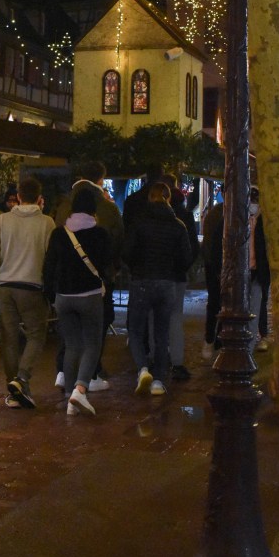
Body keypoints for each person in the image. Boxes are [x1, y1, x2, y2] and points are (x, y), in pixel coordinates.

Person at [0, 176, 55, 408]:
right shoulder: (47, 223)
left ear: (18, 197)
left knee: (10, 339)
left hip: (5, 288)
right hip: (32, 287)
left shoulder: (3, 221)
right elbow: (50, 260)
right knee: (35, 335)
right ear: (40, 198)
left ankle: (13, 390)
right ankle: (22, 378)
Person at [53, 160, 124, 391]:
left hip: (65, 282)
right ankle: (89, 377)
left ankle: (64, 373)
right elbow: (116, 244)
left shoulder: (63, 206)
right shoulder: (109, 209)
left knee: (70, 335)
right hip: (96, 282)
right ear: (101, 180)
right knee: (95, 331)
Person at [44, 187, 113, 417]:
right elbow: (107, 265)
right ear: (93, 208)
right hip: (90, 296)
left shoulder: (59, 233)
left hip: (63, 297)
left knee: (72, 345)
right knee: (92, 344)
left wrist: (50, 294)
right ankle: (81, 389)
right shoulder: (100, 234)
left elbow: (49, 266)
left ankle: (70, 399)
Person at [123, 181, 193, 396]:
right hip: (167, 282)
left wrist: (135, 268)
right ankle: (159, 381)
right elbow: (186, 257)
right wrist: (172, 269)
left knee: (136, 329)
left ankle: (143, 367)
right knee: (162, 333)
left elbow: (127, 253)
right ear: (168, 198)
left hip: (142, 280)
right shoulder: (178, 225)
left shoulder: (139, 222)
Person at [161, 174, 199, 380]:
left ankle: (155, 361)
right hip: (176, 275)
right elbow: (192, 248)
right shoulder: (183, 216)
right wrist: (183, 267)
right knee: (175, 317)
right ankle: (177, 362)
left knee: (155, 317)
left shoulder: (145, 215)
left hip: (154, 275)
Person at [201, 192, 224, 360]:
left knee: (215, 304)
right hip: (216, 266)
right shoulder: (217, 215)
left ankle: (213, 340)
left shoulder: (213, 215)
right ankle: (212, 340)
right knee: (217, 304)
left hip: (214, 266)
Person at [248, 186, 271, 352]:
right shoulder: (238, 219)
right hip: (243, 269)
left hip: (260, 268)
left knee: (260, 303)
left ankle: (260, 336)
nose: (253, 204)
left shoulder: (265, 221)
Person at [122, 162, 163, 231]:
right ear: (161, 177)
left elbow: (126, 224)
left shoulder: (132, 199)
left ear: (147, 176)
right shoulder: (164, 201)